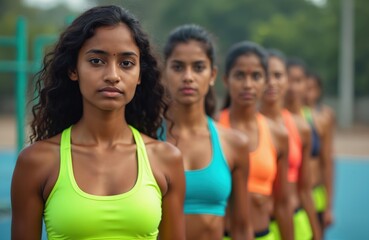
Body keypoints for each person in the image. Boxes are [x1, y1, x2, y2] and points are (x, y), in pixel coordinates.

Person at [11, 5, 185, 240]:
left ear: (140, 75)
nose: (113, 75)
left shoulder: (166, 159)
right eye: (96, 61)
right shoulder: (36, 162)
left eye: (126, 63)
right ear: (73, 69)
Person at [160, 24, 252, 240]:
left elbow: (241, 227)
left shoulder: (234, 144)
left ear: (213, 75)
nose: (188, 77)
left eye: (198, 67)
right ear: (164, 73)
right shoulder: (146, 142)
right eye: (178, 67)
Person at [218, 41, 293, 240]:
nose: (248, 84)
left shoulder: (278, 135)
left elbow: (283, 204)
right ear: (226, 80)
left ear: (265, 81)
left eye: (256, 76)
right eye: (240, 75)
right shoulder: (212, 129)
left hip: (264, 234)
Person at [260, 50, 321, 240]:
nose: (271, 82)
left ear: (286, 80)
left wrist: (316, 232)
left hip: (296, 222)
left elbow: (305, 189)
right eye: (264, 75)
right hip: (259, 227)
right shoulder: (243, 131)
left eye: (278, 75)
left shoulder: (301, 128)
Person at [304, 72, 335, 232]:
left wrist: (329, 206)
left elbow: (327, 163)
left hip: (316, 194)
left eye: (312, 88)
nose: (307, 93)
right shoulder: (286, 116)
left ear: (319, 91)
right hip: (295, 198)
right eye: (305, 88)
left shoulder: (324, 116)